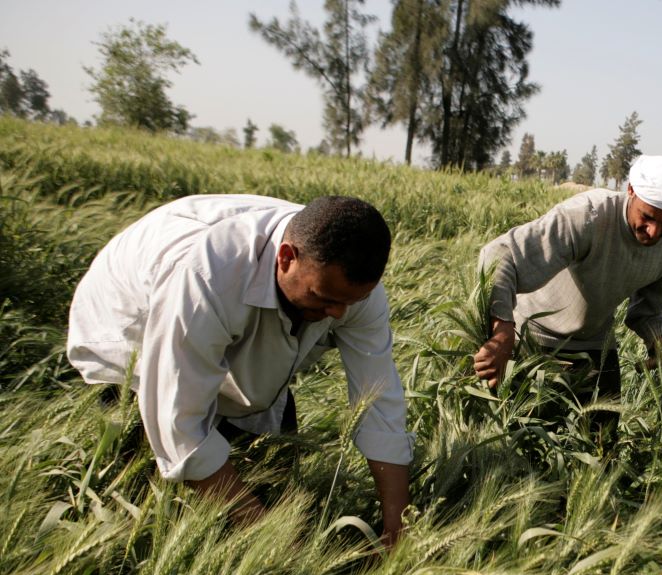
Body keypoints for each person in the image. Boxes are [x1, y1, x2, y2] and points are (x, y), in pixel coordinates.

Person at [67, 194, 412, 546]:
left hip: (224, 321)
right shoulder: (209, 272)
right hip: (131, 336)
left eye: (349, 303)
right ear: (286, 258)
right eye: (324, 298)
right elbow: (180, 425)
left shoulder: (351, 288)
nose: (338, 314)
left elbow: (379, 402)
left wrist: (396, 529)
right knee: (141, 494)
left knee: (272, 485)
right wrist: (270, 540)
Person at [472, 155, 662, 425]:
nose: (653, 232)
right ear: (630, 191)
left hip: (595, 346)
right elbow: (499, 255)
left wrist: (658, 340)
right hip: (534, 339)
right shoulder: (587, 217)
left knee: (602, 451)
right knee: (529, 443)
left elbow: (647, 311)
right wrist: (502, 331)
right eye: (648, 217)